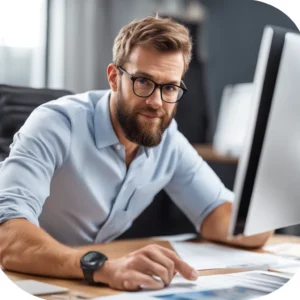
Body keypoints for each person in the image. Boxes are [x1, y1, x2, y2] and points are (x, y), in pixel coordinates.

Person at [0, 16, 272, 291]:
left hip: (85, 287)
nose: (155, 102)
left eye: (169, 87)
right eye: (143, 82)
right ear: (114, 78)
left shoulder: (168, 140)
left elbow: (220, 219)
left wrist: (271, 208)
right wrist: (101, 266)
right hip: (26, 280)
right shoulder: (55, 125)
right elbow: (7, 238)